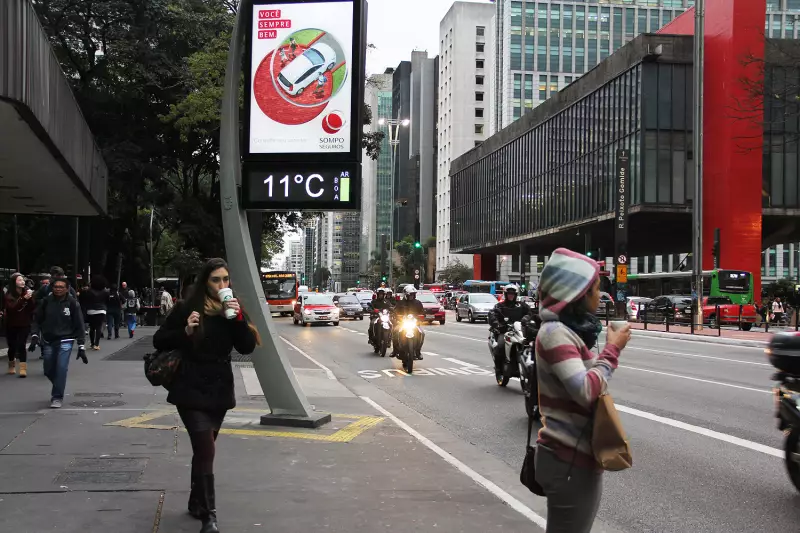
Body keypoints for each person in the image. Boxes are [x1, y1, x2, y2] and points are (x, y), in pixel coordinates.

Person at [153, 258, 259, 533]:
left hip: (219, 388)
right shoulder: (188, 307)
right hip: (189, 384)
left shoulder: (232, 309)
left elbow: (246, 347)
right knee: (206, 448)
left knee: (204, 449)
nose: (222, 285)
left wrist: (236, 319)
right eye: (216, 280)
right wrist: (186, 331)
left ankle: (195, 500)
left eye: (226, 279)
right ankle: (209, 517)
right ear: (205, 282)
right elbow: (159, 340)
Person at [533, 248, 631, 533]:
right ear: (576, 293)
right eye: (596, 289)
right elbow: (585, 391)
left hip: (571, 459)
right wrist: (613, 349)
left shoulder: (566, 331)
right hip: (569, 461)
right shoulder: (554, 334)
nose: (599, 296)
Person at [29, 277, 87, 409]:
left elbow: (80, 325)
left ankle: (57, 396)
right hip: (48, 339)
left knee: (61, 367)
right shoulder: (45, 302)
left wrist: (81, 345)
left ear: (67, 289)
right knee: (48, 369)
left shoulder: (72, 303)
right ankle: (58, 384)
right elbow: (36, 320)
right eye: (56, 287)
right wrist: (34, 336)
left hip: (66, 338)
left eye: (61, 287)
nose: (58, 289)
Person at [488, 284, 532, 371]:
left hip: (520, 330)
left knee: (530, 344)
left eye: (513, 294)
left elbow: (530, 313)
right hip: (504, 331)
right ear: (505, 294)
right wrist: (497, 323)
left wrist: (527, 318)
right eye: (509, 294)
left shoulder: (522, 306)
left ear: (516, 295)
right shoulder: (499, 306)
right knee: (500, 346)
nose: (511, 295)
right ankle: (498, 368)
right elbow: (492, 314)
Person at [4, 274, 35, 377]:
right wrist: (23, 299)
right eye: (20, 280)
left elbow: (32, 308)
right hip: (11, 323)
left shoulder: (27, 292)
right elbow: (12, 308)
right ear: (14, 282)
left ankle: (23, 368)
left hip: (24, 323)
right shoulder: (9, 295)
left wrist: (30, 298)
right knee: (12, 346)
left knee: (22, 344)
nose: (22, 282)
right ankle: (11, 364)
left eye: (23, 280)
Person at [391, 285, 425, 359]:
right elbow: (395, 311)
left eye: (413, 295)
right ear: (406, 295)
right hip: (402, 323)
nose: (411, 296)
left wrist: (421, 317)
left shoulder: (418, 303)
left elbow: (422, 312)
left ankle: (418, 352)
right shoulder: (400, 303)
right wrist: (397, 316)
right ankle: (395, 350)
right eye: (410, 295)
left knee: (422, 333)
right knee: (395, 331)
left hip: (414, 324)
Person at [84, 277, 109, 350]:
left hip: (91, 310)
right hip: (101, 310)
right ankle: (96, 344)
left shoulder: (89, 291)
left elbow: (86, 300)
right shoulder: (105, 291)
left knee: (92, 327)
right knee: (99, 327)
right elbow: (107, 301)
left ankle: (92, 343)